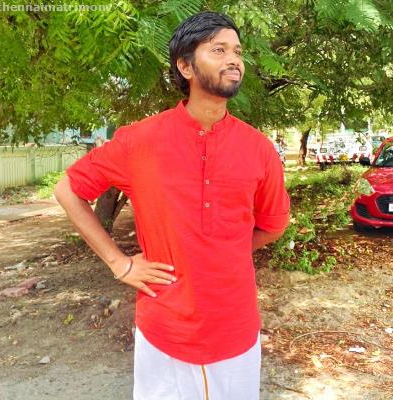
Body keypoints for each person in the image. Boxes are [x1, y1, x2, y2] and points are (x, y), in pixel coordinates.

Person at [54, 11, 290, 400]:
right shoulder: (140, 140)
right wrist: (120, 263)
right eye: (219, 50)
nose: (234, 59)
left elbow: (274, 224)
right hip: (162, 333)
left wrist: (221, 251)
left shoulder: (259, 149)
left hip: (236, 333)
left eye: (237, 51)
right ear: (186, 66)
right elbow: (68, 190)